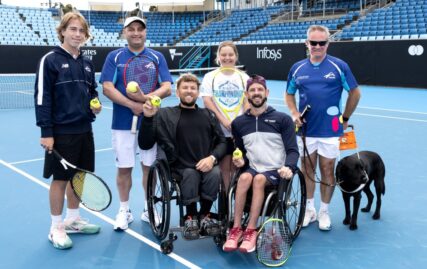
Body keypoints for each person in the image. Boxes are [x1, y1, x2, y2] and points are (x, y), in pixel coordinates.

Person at [35, 12, 102, 249]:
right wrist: (46, 132)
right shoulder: (50, 60)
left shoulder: (87, 63)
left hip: (85, 129)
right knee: (60, 179)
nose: (77, 34)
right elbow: (43, 98)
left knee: (80, 176)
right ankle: (56, 226)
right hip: (61, 132)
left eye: (81, 30)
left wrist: (95, 104)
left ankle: (73, 219)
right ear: (62, 31)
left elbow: (92, 92)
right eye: (72, 29)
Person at [285, 25, 361, 231]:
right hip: (306, 130)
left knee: (327, 170)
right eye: (313, 43)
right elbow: (289, 94)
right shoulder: (297, 68)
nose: (317, 46)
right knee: (307, 169)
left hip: (330, 130)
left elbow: (355, 93)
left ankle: (324, 211)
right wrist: (294, 113)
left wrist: (345, 117)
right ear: (306, 43)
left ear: (328, 43)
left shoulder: (339, 66)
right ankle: (309, 209)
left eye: (322, 43)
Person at [100, 16, 172, 230]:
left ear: (145, 32)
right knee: (124, 168)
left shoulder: (157, 57)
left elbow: (167, 87)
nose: (136, 33)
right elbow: (107, 87)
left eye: (140, 29)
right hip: (123, 123)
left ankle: (149, 209)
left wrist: (145, 99)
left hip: (151, 123)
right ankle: (124, 210)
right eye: (131, 29)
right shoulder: (114, 57)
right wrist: (132, 105)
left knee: (150, 168)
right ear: (125, 33)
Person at [138, 73, 227, 240]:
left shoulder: (208, 115)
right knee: (190, 174)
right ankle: (190, 216)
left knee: (215, 173)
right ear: (177, 93)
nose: (189, 91)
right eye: (185, 88)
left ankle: (205, 215)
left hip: (206, 165)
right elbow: (145, 144)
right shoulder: (164, 114)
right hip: (179, 167)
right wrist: (148, 119)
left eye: (193, 88)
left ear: (198, 93)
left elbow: (222, 142)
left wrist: (212, 158)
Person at [223, 75, 299, 253]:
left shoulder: (282, 119)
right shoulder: (239, 123)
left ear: (267, 93)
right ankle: (235, 230)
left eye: (260, 90)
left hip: (275, 169)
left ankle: (251, 231)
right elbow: (240, 150)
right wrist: (239, 159)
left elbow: (293, 150)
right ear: (246, 94)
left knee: (258, 180)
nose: (256, 93)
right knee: (243, 178)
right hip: (253, 166)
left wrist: (289, 167)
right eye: (252, 90)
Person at [200, 41, 250, 192]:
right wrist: (223, 120)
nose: (227, 58)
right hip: (219, 131)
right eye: (223, 55)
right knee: (223, 169)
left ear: (236, 56)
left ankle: (236, 204)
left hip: (239, 131)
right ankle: (226, 204)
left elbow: (247, 102)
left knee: (237, 167)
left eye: (230, 54)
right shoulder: (210, 77)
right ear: (218, 57)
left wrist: (238, 123)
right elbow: (207, 100)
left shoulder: (244, 77)